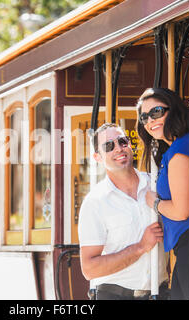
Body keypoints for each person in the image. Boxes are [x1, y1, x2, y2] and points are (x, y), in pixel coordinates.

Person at [136, 87, 189, 300]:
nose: (149, 121)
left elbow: (181, 211)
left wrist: (154, 203)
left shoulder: (182, 149)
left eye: (156, 112)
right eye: (144, 117)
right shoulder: (178, 147)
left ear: (172, 110)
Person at [78, 123, 168, 300]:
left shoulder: (155, 185)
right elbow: (89, 269)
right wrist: (140, 247)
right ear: (97, 157)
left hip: (160, 293)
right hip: (115, 296)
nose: (118, 149)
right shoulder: (95, 202)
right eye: (109, 146)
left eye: (122, 141)